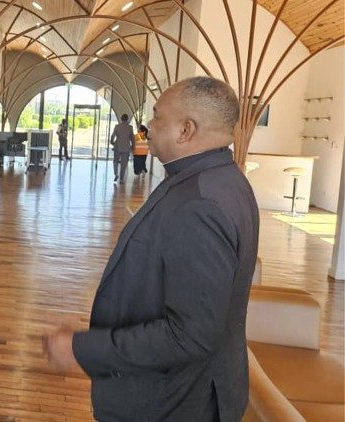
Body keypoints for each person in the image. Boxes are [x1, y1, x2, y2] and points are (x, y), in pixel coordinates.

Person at [43, 76, 259, 421]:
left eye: (158, 116)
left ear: (185, 130)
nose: (148, 125)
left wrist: (83, 348)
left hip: (174, 401)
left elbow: (190, 334)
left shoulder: (200, 203)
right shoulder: (220, 179)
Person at [110, 113, 134, 184]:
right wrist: (133, 146)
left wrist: (112, 142)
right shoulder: (130, 127)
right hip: (126, 148)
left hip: (117, 147)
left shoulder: (117, 126)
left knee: (115, 161)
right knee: (123, 164)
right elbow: (132, 138)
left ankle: (116, 174)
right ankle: (121, 179)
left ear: (121, 119)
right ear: (127, 119)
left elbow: (113, 136)